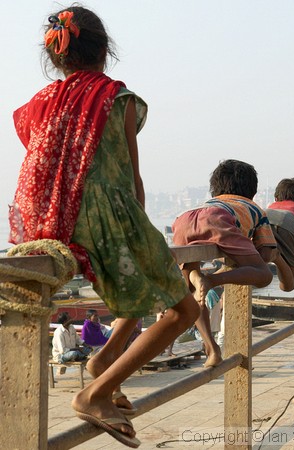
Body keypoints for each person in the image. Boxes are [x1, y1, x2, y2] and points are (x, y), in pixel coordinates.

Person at [10, 7, 200, 447]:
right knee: (182, 310)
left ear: (56, 58)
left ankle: (103, 363)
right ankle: (94, 393)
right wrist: (141, 233)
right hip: (101, 215)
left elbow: (44, 154)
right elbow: (133, 180)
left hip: (44, 219)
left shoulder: (36, 106)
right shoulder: (118, 98)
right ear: (105, 51)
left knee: (143, 284)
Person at [172, 159, 277, 368]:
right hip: (218, 219)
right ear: (252, 191)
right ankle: (211, 280)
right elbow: (265, 253)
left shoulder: (209, 203)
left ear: (215, 188)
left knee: (194, 291)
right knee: (264, 275)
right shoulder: (252, 208)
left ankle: (211, 349)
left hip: (184, 219)